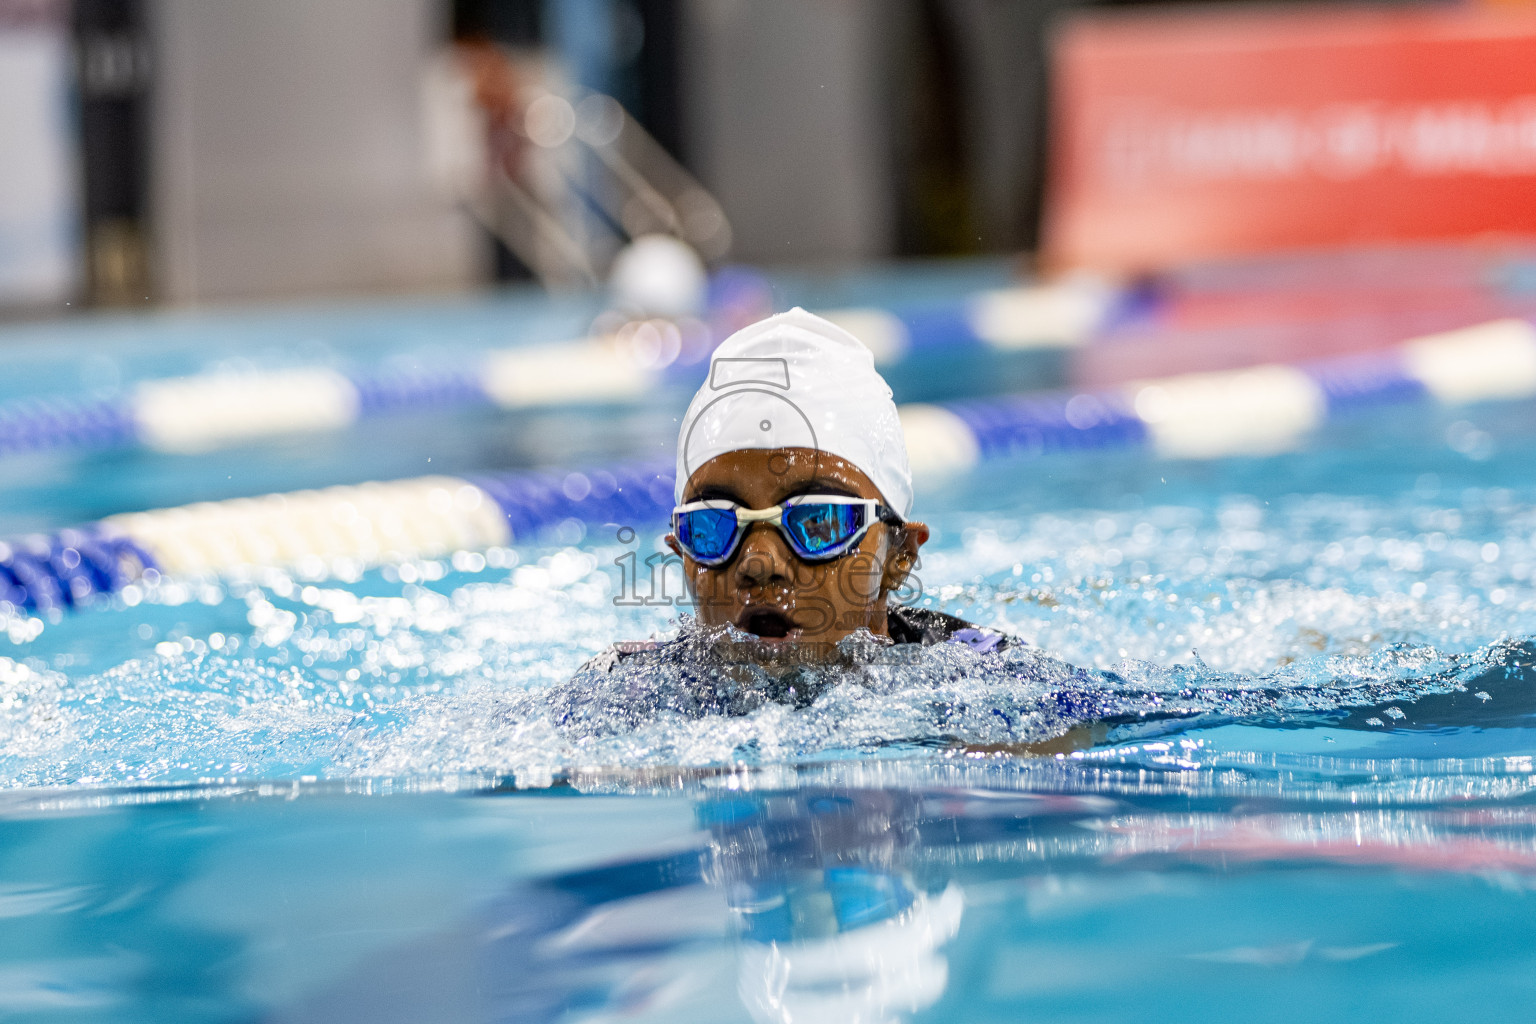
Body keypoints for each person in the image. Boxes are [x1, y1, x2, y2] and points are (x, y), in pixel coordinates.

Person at [583, 307, 1011, 679]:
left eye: (816, 521)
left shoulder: (985, 676)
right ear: (682, 554)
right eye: (713, 525)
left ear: (899, 555)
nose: (758, 564)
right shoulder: (626, 689)